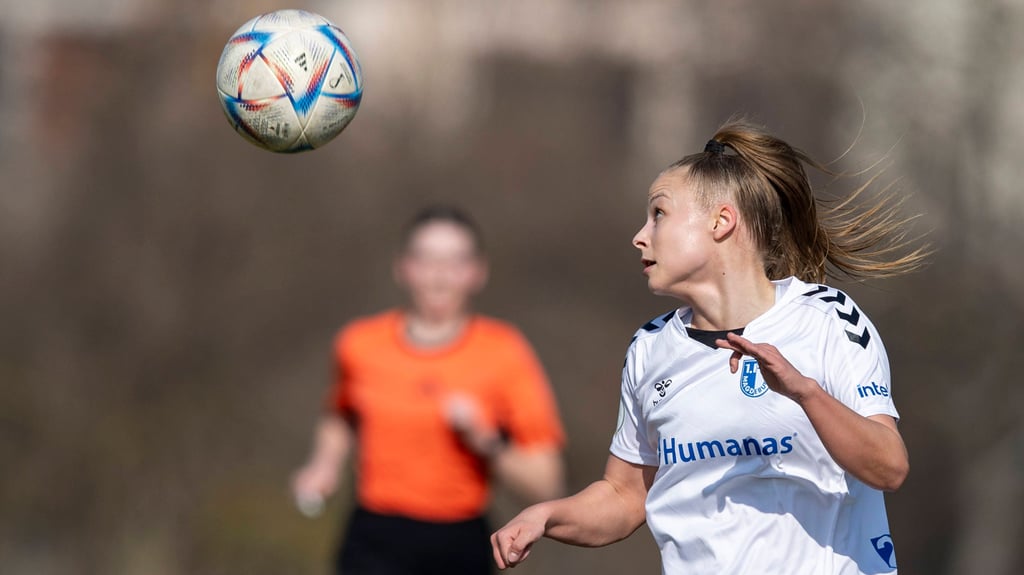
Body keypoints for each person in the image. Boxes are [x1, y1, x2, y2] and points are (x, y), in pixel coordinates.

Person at [490, 120, 928, 574]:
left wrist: (805, 393)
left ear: (722, 222)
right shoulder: (650, 348)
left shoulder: (827, 318)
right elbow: (625, 495)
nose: (640, 236)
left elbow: (888, 467)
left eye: (658, 214)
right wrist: (546, 515)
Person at [293, 205, 566, 575]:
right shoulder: (358, 344)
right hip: (373, 538)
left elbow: (546, 482)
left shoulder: (505, 352)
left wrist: (484, 439)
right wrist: (323, 465)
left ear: (478, 272)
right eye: (427, 260)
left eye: (455, 262)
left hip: (458, 542)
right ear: (402, 267)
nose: (439, 277)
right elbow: (340, 414)